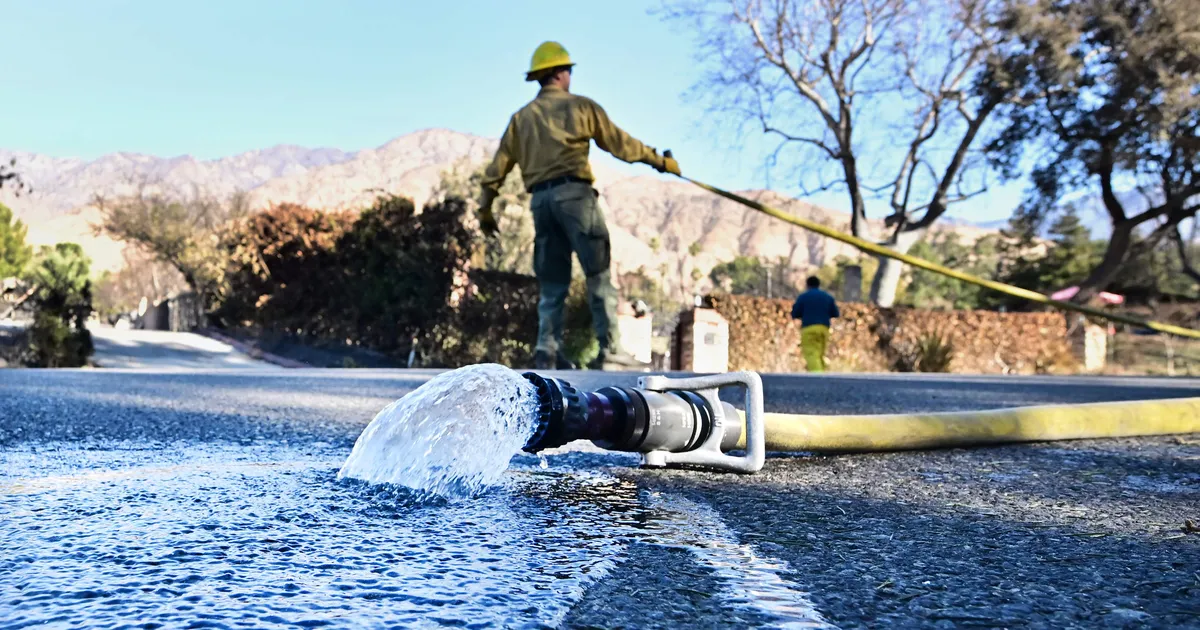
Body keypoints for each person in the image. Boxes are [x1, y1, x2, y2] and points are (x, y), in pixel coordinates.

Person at [478, 41, 681, 371]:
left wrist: (485, 210)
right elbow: (620, 144)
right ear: (560, 73)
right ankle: (612, 350)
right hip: (575, 198)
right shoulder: (581, 108)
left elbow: (496, 170)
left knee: (553, 283)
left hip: (541, 204)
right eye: (568, 70)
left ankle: (546, 351)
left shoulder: (521, 120)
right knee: (598, 276)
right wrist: (659, 160)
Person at [790, 276, 840, 372]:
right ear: (818, 284)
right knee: (821, 353)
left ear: (807, 285)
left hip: (809, 328)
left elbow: (795, 313)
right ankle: (822, 372)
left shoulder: (803, 297)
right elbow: (835, 313)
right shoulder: (827, 297)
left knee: (811, 352)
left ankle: (817, 377)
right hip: (824, 328)